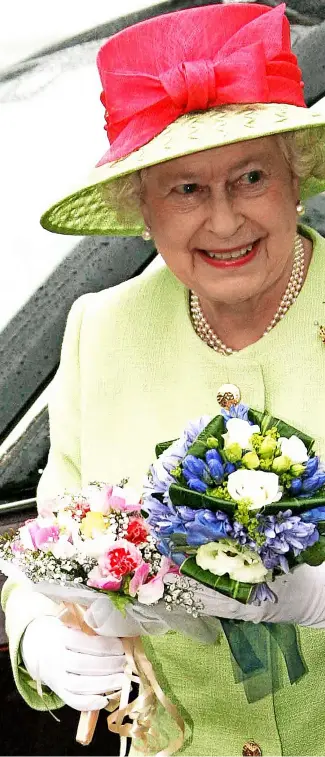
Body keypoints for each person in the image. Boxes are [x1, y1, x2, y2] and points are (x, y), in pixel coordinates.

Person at [3, 3, 325, 755]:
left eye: (249, 176)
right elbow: (49, 544)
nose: (222, 221)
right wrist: (41, 635)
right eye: (183, 189)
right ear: (140, 208)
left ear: (293, 179)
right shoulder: (98, 329)